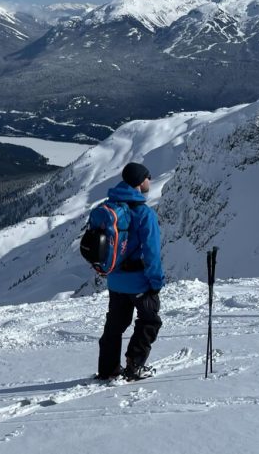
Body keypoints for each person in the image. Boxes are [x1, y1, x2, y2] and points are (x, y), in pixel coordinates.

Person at [96, 162, 165, 381]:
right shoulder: (144, 213)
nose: (150, 181)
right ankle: (135, 366)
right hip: (138, 281)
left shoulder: (110, 205)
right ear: (139, 182)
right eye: (148, 177)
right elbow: (152, 252)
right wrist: (156, 281)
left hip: (115, 280)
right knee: (149, 321)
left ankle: (107, 370)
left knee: (115, 325)